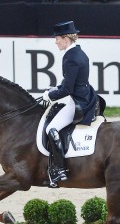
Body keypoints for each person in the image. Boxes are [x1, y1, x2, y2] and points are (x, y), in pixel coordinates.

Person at [42, 20, 98, 187]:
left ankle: (59, 169)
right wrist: (55, 89)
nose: (55, 42)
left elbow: (67, 89)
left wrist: (50, 95)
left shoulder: (71, 58)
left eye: (57, 38)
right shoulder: (79, 53)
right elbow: (69, 83)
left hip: (78, 101)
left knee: (51, 129)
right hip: (85, 94)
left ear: (66, 39)